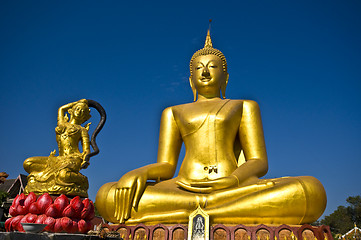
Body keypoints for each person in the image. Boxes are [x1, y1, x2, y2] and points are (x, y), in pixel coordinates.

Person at [95, 30, 327, 225]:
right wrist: (138, 173)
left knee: (310, 190)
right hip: (182, 188)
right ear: (190, 80)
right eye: (199, 68)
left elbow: (258, 162)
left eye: (212, 66)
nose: (205, 72)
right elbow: (166, 166)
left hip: (233, 187)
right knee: (108, 196)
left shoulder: (244, 106)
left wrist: (232, 181)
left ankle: (195, 214)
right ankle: (211, 212)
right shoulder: (173, 112)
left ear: (225, 77)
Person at [24, 99, 91, 197]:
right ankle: (42, 182)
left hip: (73, 159)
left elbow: (86, 149)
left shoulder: (82, 130)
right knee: (28, 163)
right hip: (58, 159)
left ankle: (82, 180)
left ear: (85, 117)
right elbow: (61, 109)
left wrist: (85, 159)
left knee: (63, 175)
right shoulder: (62, 124)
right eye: (78, 109)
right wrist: (75, 103)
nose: (80, 112)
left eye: (83, 111)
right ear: (71, 111)